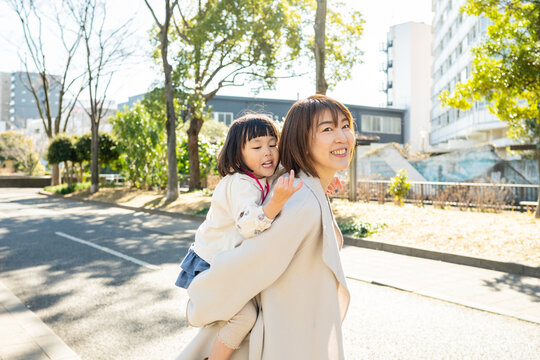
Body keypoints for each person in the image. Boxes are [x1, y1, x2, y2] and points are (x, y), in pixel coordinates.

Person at [177, 94, 354, 360]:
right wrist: (203, 296)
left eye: (346, 125)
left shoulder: (292, 183)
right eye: (327, 128)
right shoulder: (295, 198)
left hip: (295, 331)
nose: (342, 136)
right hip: (285, 335)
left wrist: (322, 182)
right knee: (242, 318)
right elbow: (251, 261)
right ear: (302, 141)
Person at [175, 114, 304, 360]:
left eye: (272, 144)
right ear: (238, 154)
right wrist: (277, 201)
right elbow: (248, 225)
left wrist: (323, 183)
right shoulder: (240, 183)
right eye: (256, 146)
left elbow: (292, 174)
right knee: (245, 316)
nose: (267, 152)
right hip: (209, 265)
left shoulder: (265, 176)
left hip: (229, 265)